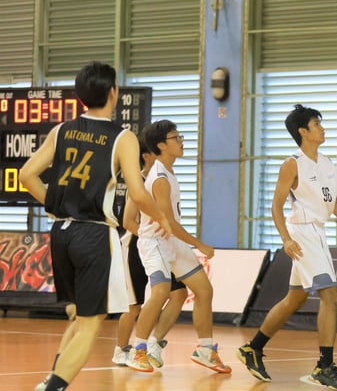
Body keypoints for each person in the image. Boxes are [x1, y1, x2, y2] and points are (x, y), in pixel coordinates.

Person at [20, 61, 173, 391]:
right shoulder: (122, 137)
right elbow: (137, 191)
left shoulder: (60, 130)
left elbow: (26, 175)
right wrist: (161, 217)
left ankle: (51, 379)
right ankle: (54, 387)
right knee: (92, 324)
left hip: (59, 233)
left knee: (79, 317)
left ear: (80, 96)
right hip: (93, 233)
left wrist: (57, 203)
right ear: (113, 93)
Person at [237, 104, 337, 390]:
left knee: (294, 299)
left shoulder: (326, 163)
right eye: (317, 124)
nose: (322, 128)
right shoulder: (292, 163)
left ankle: (253, 348)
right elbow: (276, 206)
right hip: (302, 233)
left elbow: (333, 205)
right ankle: (324, 366)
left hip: (318, 232)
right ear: (303, 132)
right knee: (332, 296)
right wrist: (286, 238)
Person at [127, 119, 231, 374]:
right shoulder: (160, 177)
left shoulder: (169, 172)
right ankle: (137, 350)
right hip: (155, 243)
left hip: (171, 243)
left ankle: (205, 349)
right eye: (176, 138)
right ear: (161, 145)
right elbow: (168, 223)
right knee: (161, 291)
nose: (182, 141)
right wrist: (199, 244)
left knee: (203, 290)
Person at [112, 129, 188, 368]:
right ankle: (122, 349)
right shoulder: (140, 183)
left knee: (179, 294)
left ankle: (154, 342)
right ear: (148, 155)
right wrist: (151, 234)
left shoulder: (166, 177)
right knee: (134, 305)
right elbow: (127, 222)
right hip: (138, 246)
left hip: (165, 246)